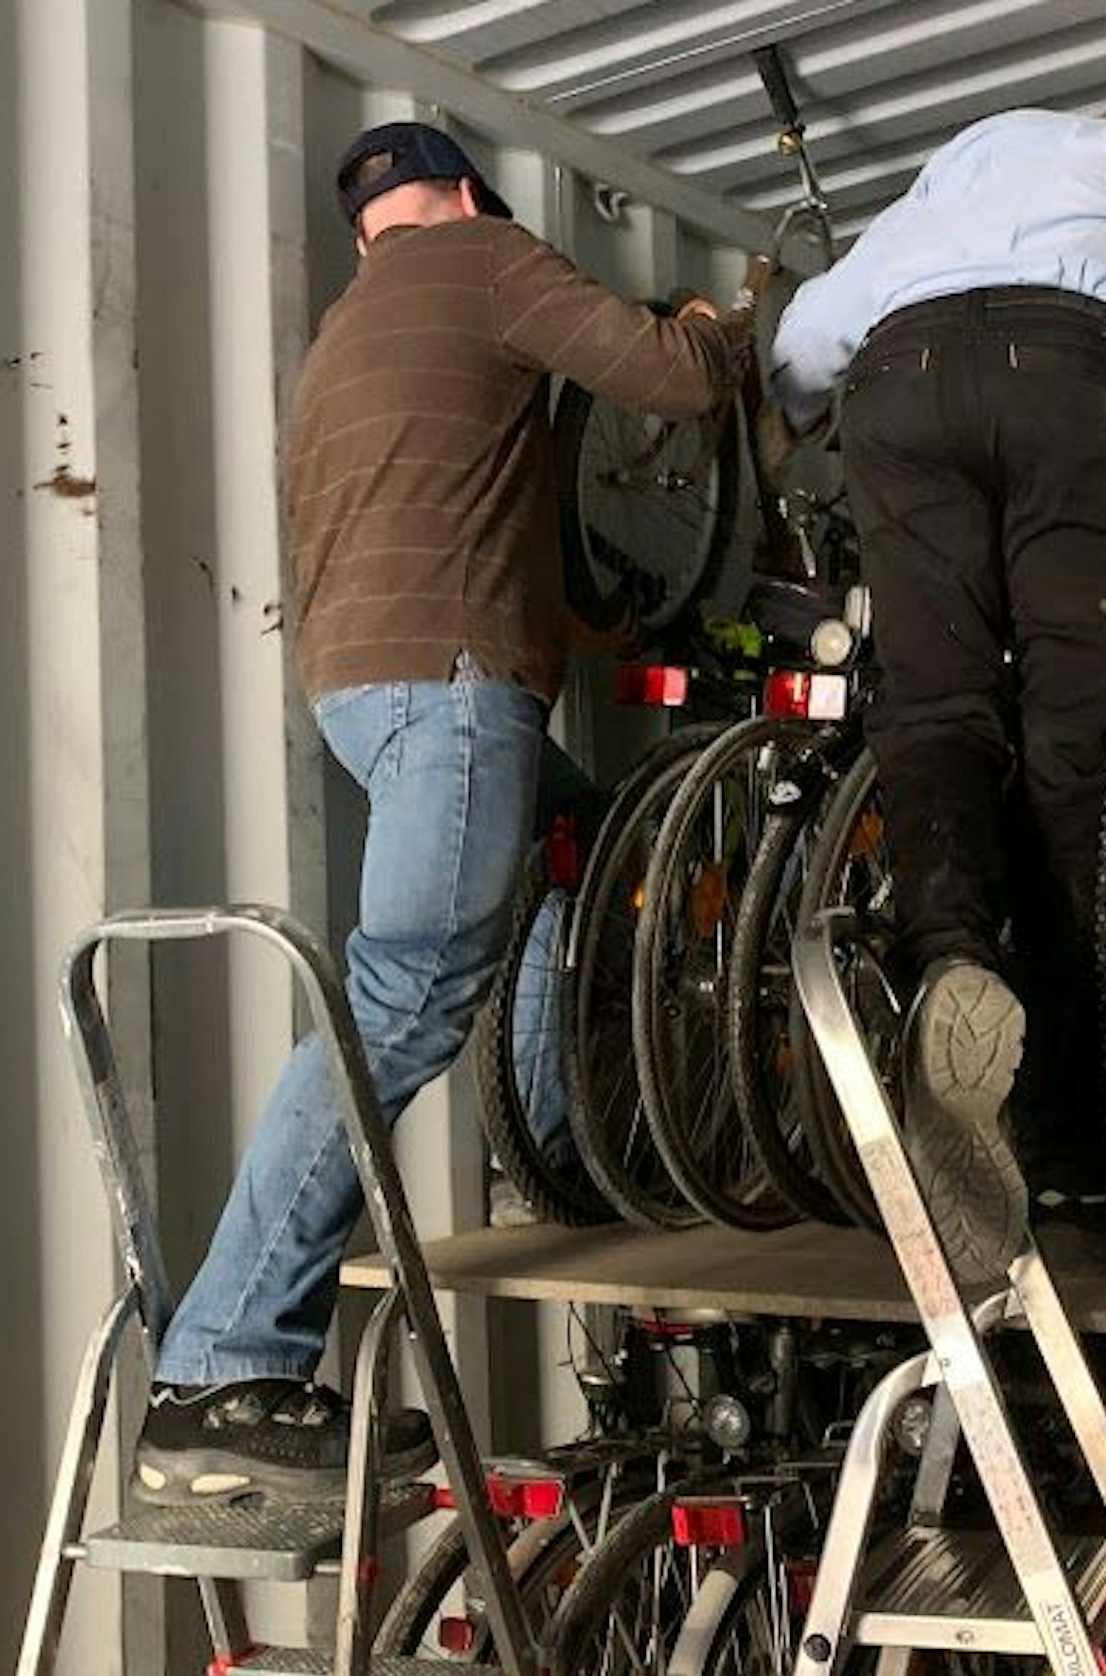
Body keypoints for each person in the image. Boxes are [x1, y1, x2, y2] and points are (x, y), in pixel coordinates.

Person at [134, 122, 746, 1504]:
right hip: (455, 693)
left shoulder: (348, 331)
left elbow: (448, 509)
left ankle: (551, 1145)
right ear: (467, 194)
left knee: (587, 851)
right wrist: (713, 328)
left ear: (366, 233)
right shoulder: (483, 258)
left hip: (365, 694)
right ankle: (225, 1362)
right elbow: (668, 382)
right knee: (405, 997)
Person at [767, 94, 1106, 1286]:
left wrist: (792, 409)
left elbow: (808, 335)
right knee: (1073, 752)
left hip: (894, 382)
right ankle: (1068, 1158)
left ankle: (945, 953)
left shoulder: (979, 148)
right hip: (1075, 382)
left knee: (935, 705)